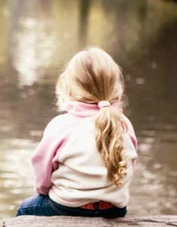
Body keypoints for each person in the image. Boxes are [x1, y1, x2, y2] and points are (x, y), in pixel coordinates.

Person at [16, 47, 138, 218]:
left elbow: (42, 167)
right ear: (115, 87)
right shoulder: (124, 124)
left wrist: (43, 191)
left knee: (26, 208)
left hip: (68, 206)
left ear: (71, 87)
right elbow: (129, 165)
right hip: (114, 208)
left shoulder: (63, 125)